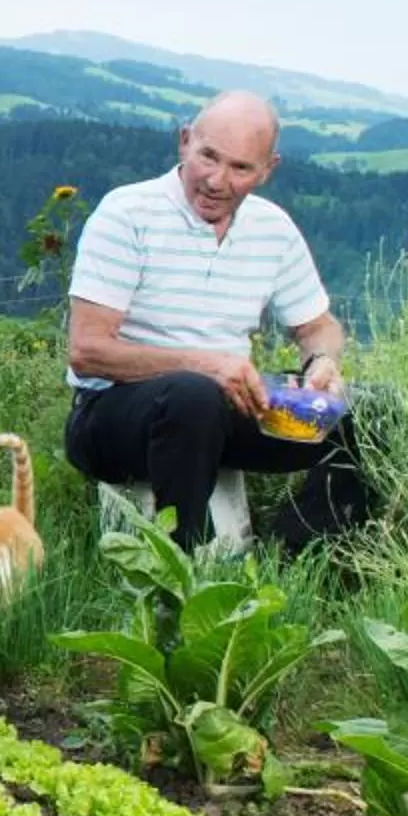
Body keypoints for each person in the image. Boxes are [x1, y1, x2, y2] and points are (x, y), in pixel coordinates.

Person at [60, 91, 367, 554]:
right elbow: (86, 352)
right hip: (113, 419)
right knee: (193, 395)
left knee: (368, 414)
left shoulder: (273, 228)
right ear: (185, 142)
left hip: (226, 409)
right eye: (208, 156)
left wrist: (322, 360)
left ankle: (298, 558)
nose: (217, 180)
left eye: (241, 168)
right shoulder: (127, 214)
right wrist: (206, 366)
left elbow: (316, 325)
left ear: (268, 169)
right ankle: (182, 572)